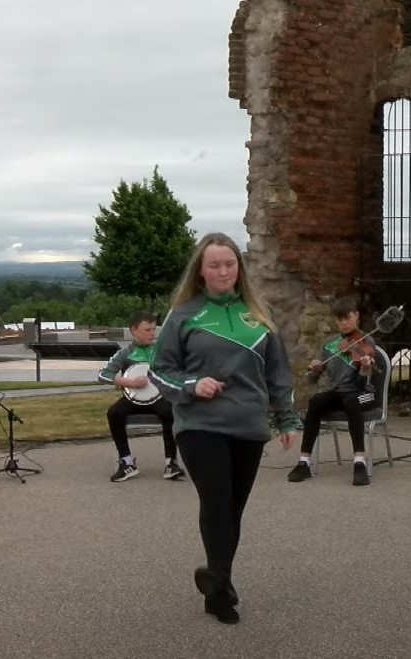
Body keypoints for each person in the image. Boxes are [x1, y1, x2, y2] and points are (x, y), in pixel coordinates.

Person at [149, 232, 301, 625]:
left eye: (229, 264)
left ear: (239, 268)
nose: (223, 271)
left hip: (248, 425)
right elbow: (159, 370)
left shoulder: (259, 314)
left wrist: (286, 418)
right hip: (200, 425)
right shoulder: (184, 315)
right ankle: (221, 584)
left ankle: (217, 582)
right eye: (214, 265)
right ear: (200, 271)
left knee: (233, 509)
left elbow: (278, 374)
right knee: (216, 501)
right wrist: (191, 386)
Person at [286, 296, 379, 486]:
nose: (343, 323)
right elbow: (311, 380)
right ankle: (304, 462)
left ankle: (359, 462)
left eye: (347, 318)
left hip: (363, 394)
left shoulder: (366, 342)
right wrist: (316, 369)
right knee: (316, 401)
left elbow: (362, 385)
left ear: (357, 316)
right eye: (339, 319)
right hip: (338, 393)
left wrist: (364, 368)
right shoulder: (330, 344)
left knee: (352, 400)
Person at [97, 311, 184, 482]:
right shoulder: (124, 354)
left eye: (153, 329)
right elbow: (103, 375)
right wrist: (129, 382)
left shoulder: (161, 351)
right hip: (133, 398)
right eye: (147, 330)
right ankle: (126, 462)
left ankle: (171, 462)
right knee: (114, 413)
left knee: (170, 411)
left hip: (159, 398)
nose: (152, 333)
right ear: (134, 330)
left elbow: (176, 372)